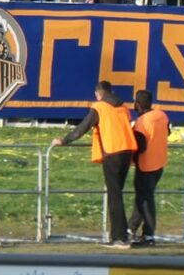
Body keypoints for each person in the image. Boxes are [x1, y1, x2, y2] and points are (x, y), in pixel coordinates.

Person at [54, 81, 137, 248]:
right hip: (127, 151)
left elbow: (83, 127)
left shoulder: (99, 107)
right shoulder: (123, 107)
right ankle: (120, 235)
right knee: (117, 194)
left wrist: (65, 140)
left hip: (112, 152)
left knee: (114, 197)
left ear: (98, 94)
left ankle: (120, 238)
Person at [131, 89, 169, 246]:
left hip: (146, 165)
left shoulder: (141, 123)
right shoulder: (162, 115)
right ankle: (130, 228)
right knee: (142, 198)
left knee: (146, 200)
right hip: (160, 163)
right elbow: (167, 131)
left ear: (137, 104)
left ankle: (148, 236)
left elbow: (140, 146)